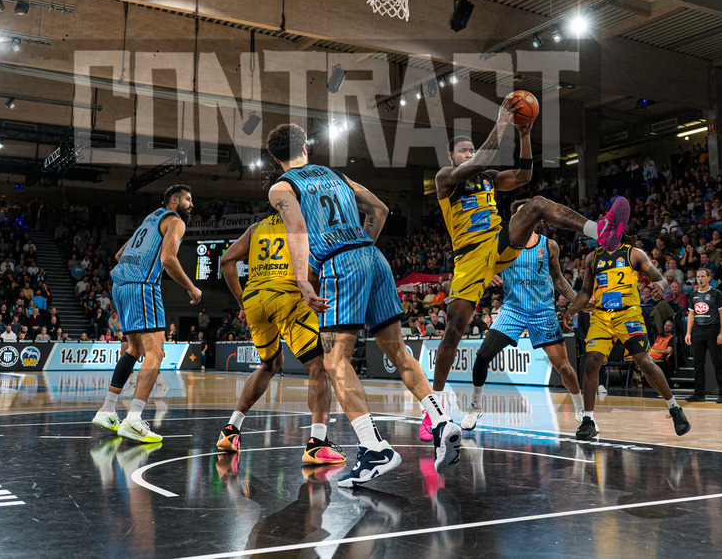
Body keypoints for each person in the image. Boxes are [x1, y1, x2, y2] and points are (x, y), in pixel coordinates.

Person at [265, 123, 461, 487]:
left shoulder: (282, 187)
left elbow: (297, 228)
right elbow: (380, 210)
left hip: (341, 263)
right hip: (374, 258)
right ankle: (440, 420)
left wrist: (303, 279)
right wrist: (363, 251)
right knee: (399, 351)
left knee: (334, 360)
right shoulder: (338, 177)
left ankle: (374, 449)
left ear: (277, 159)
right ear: (305, 149)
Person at [431, 95, 630, 440]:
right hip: (470, 256)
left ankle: (599, 230)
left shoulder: (489, 178)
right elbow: (478, 163)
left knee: (537, 203)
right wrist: (502, 123)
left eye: (470, 149)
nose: (468, 153)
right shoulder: (447, 177)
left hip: (498, 243)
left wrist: (524, 135)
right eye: (462, 151)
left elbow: (524, 176)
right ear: (451, 157)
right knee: (454, 329)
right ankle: (433, 408)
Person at [218, 209, 344, 466]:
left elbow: (226, 261)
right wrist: (314, 294)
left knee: (270, 364)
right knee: (318, 365)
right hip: (287, 296)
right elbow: (311, 271)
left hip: (255, 300)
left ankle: (231, 430)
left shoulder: (256, 228)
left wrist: (242, 302)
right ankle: (317, 444)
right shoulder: (303, 222)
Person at [90, 185, 202, 443]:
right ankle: (133, 419)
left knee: (134, 350)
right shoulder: (175, 221)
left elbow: (120, 254)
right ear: (173, 200)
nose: (191, 204)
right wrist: (191, 287)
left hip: (120, 286)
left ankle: (107, 410)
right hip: (142, 286)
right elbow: (168, 259)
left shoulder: (150, 220)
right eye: (188, 199)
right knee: (156, 353)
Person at [461, 201, 584, 431]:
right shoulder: (503, 245)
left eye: (528, 214)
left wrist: (577, 301)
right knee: (483, 355)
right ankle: (475, 406)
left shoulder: (549, 245)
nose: (524, 218)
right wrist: (486, 275)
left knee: (564, 367)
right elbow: (480, 265)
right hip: (512, 310)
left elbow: (558, 279)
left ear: (535, 218)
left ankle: (582, 411)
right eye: (520, 215)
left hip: (543, 312)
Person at [561, 237, 690, 439]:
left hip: (628, 315)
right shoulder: (593, 257)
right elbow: (586, 291)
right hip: (601, 316)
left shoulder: (633, 253)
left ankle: (674, 408)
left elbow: (661, 278)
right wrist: (571, 310)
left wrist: (661, 284)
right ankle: (588, 420)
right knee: (591, 361)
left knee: (644, 361)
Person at [685, 268, 722, 404]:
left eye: (703, 276)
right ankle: (699, 394)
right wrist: (688, 332)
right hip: (697, 331)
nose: (700, 279)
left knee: (717, 362)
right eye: (698, 277)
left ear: (709, 278)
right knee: (698, 364)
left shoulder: (717, 293)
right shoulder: (693, 294)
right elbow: (691, 314)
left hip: (712, 330)